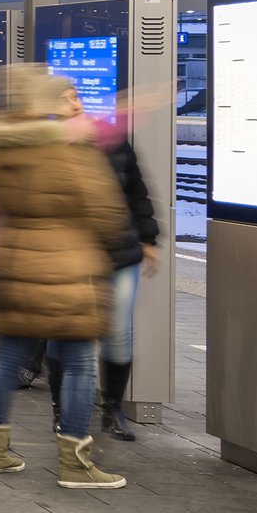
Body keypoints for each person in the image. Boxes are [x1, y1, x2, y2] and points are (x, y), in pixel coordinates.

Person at [0, 68, 132, 489]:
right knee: (79, 365)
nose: (77, 103)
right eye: (69, 96)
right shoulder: (72, 150)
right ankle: (76, 464)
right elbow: (108, 216)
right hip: (68, 270)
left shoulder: (1, 149)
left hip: (15, 265)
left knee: (6, 361)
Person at [96, 92, 160, 440]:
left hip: (121, 251)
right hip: (79, 252)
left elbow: (138, 193)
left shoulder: (119, 143)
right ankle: (64, 411)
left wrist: (148, 238)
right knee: (69, 335)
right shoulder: (60, 145)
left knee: (119, 330)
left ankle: (112, 408)